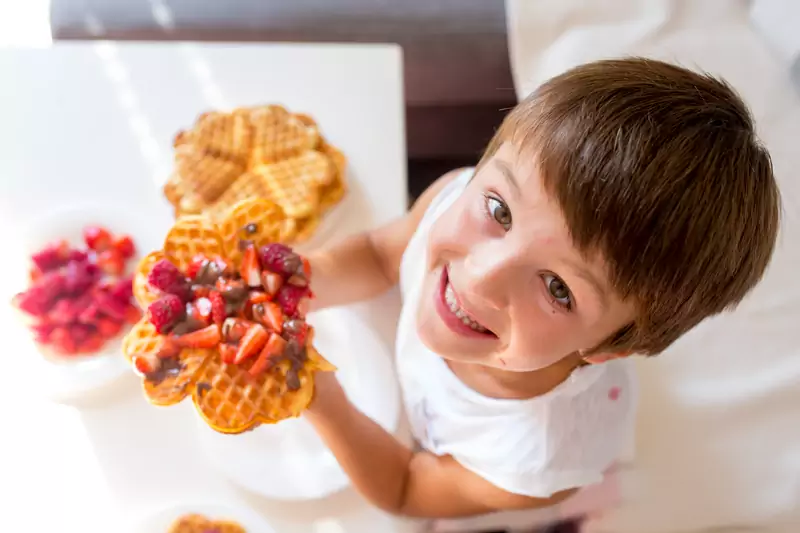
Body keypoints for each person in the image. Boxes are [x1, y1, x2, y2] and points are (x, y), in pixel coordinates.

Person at [302, 58, 781, 522]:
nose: (481, 276)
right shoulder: (452, 197)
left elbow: (407, 486)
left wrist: (321, 397)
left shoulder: (532, 461)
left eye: (558, 289)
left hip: (464, 464)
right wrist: (297, 282)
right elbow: (380, 254)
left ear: (606, 347)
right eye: (500, 213)